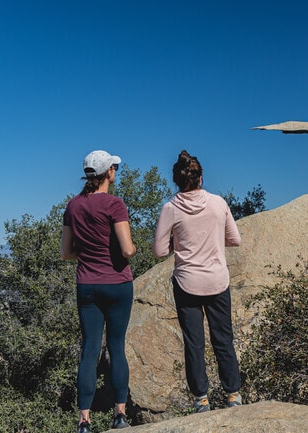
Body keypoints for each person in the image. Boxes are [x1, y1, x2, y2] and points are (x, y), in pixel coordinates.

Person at [153, 150, 242, 413]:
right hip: (217, 280)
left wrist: (177, 242)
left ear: (177, 181)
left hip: (187, 283)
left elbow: (159, 251)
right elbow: (235, 239)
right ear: (201, 178)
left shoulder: (170, 208)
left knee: (194, 343)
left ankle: (201, 399)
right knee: (223, 339)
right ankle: (233, 395)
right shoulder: (218, 203)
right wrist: (213, 237)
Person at [61, 150, 137, 433]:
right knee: (116, 348)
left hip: (87, 285)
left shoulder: (73, 206)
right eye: (114, 167)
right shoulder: (115, 204)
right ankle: (119, 415)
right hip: (117, 283)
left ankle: (84, 420)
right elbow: (127, 249)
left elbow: (66, 252)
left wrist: (89, 251)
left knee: (89, 350)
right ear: (109, 173)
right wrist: (129, 249)